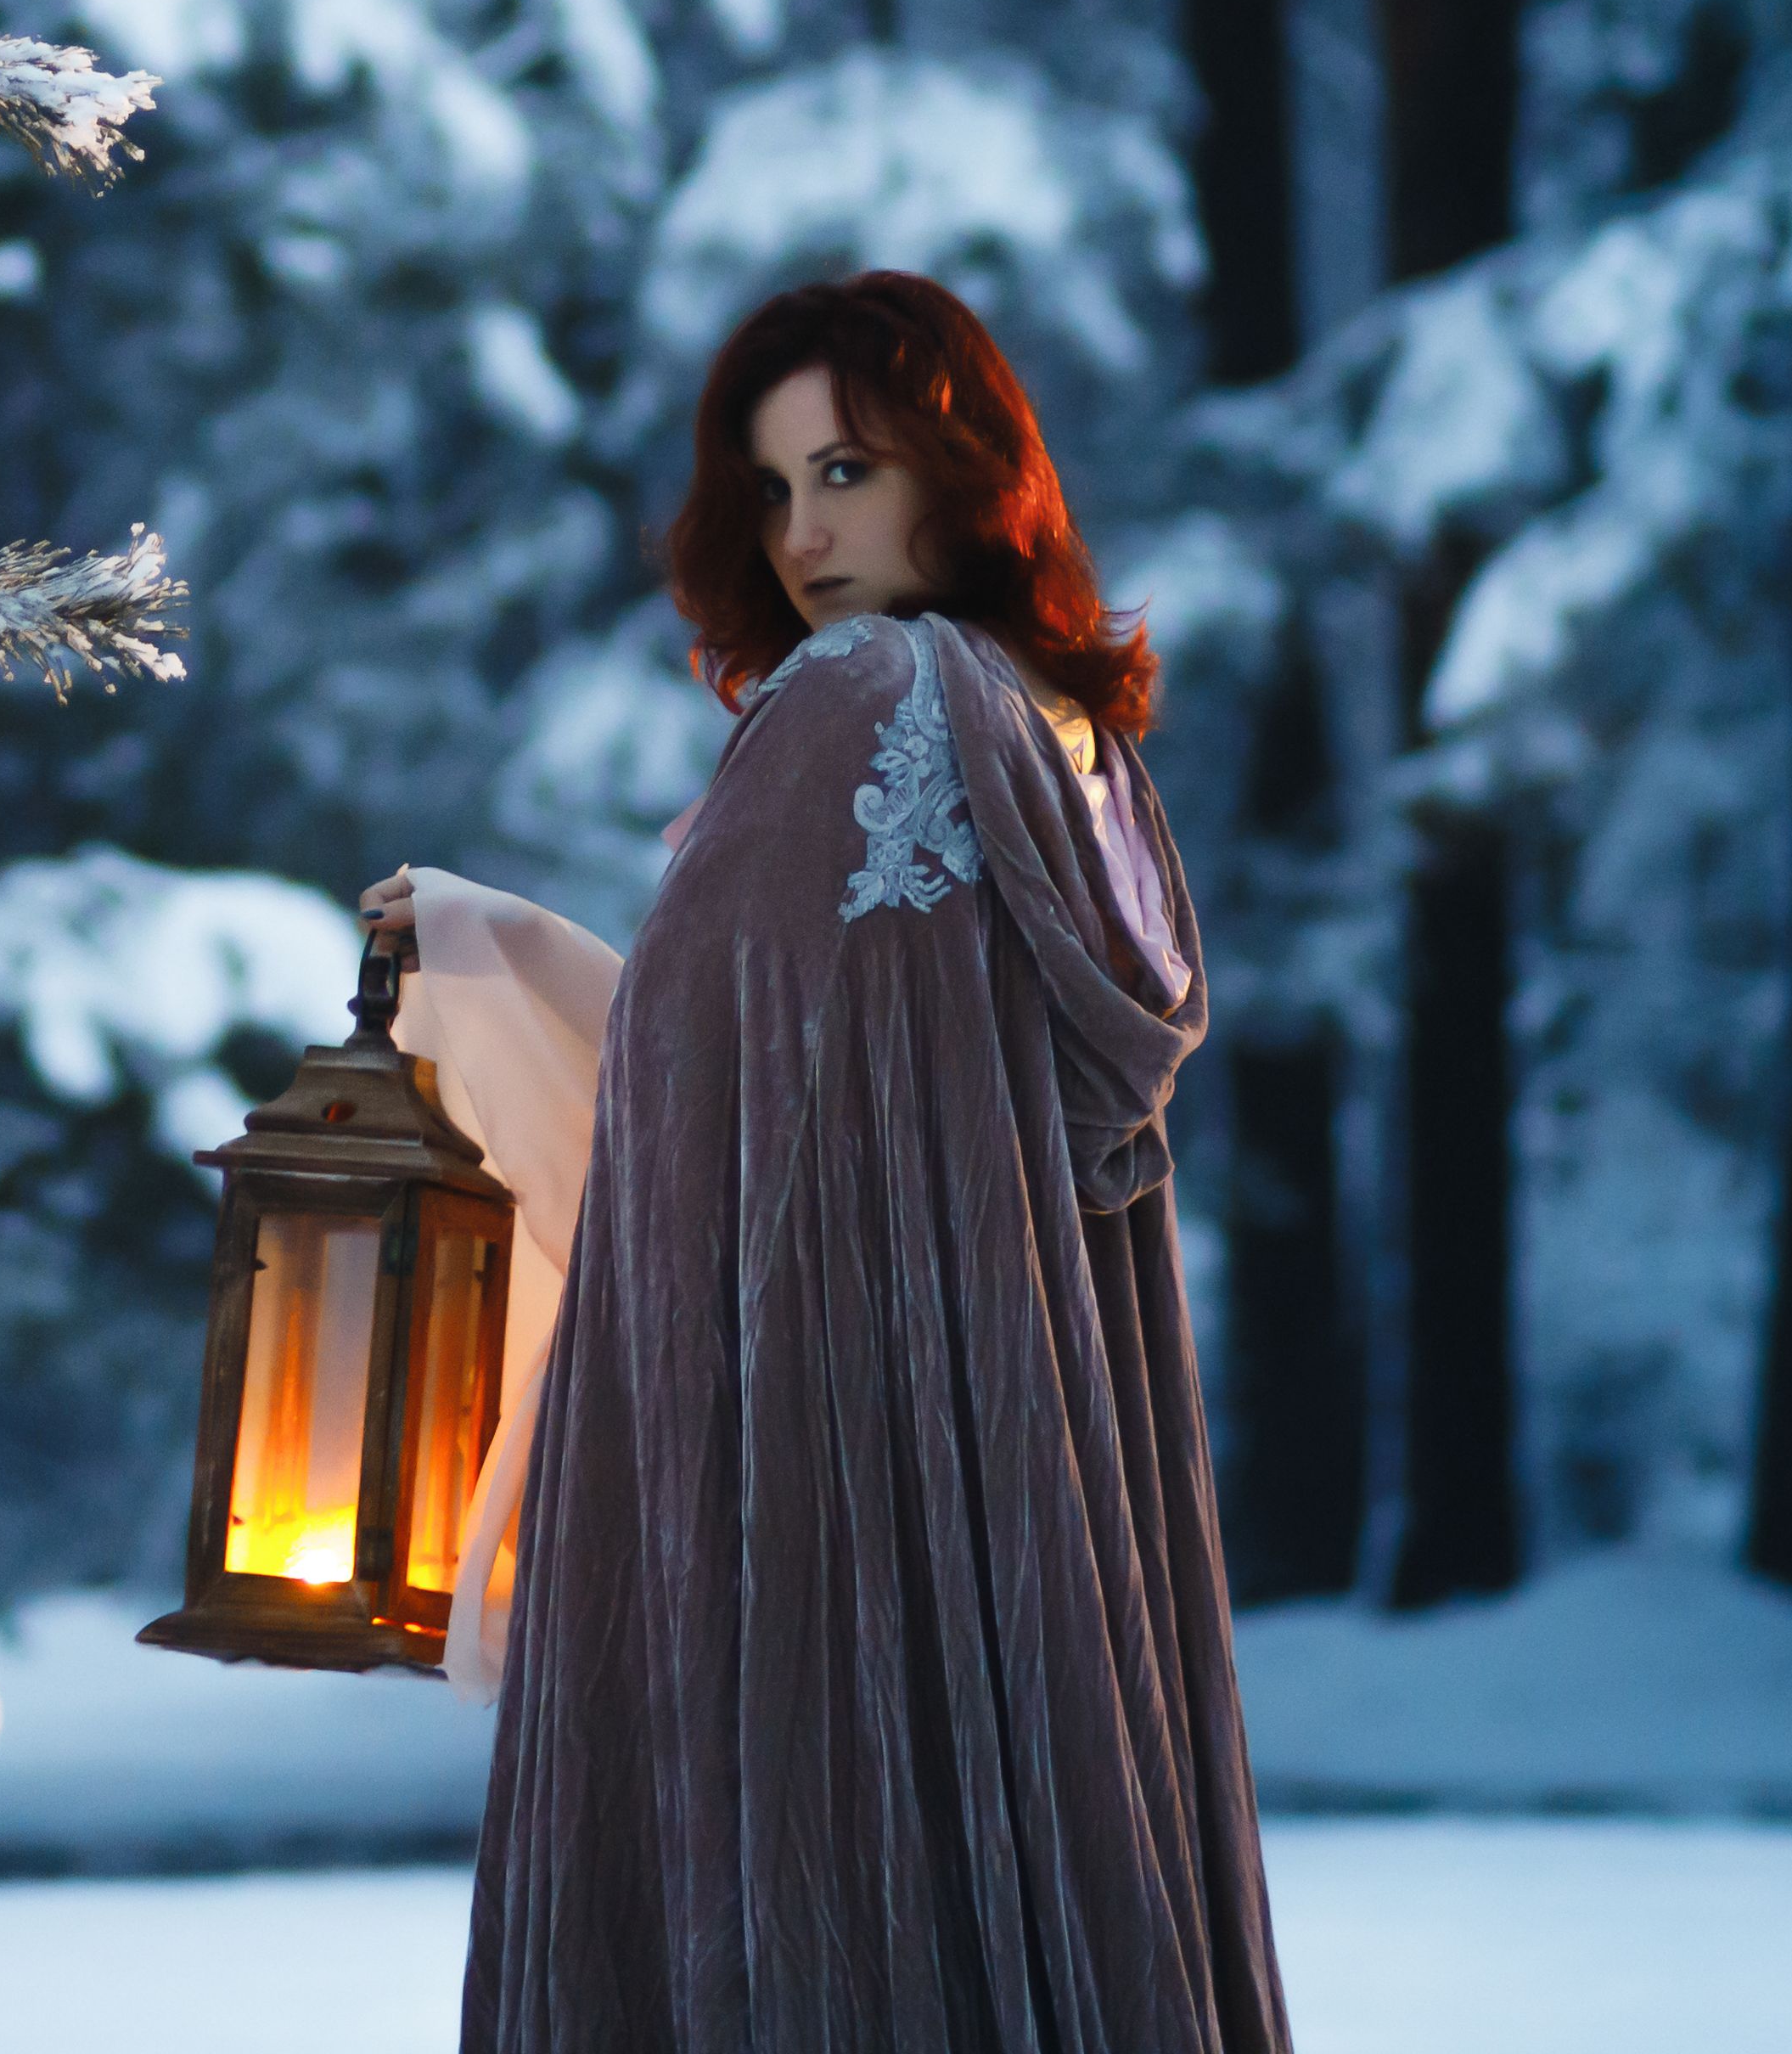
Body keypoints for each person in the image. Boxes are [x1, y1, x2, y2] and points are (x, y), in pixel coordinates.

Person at [369, 269, 1293, 2054]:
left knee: (824, 1875)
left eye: (849, 473)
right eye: (776, 487)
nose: (804, 534)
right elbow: (805, 1054)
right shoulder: (1081, 748)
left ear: (965, 472)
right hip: (1027, 1454)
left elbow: (706, 1089)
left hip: (823, 1446)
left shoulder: (863, 693)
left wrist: (496, 977)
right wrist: (527, 947)